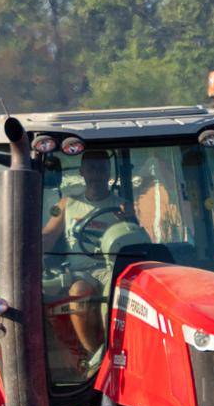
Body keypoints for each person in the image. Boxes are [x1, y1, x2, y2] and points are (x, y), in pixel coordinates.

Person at [41, 149, 150, 359]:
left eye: (101, 168)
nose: (96, 173)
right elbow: (47, 236)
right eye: (91, 167)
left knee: (122, 295)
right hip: (80, 272)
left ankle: (122, 349)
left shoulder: (121, 206)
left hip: (113, 270)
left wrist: (130, 220)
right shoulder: (65, 205)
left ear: (108, 172)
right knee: (79, 292)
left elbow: (138, 240)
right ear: (82, 171)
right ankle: (96, 356)